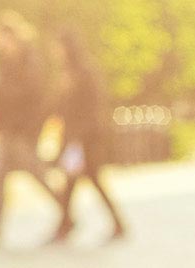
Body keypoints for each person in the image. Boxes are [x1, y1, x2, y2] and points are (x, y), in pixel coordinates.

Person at [0, 11, 67, 243]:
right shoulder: (6, 62)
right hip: (8, 129)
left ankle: (66, 211)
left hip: (23, 130)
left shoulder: (29, 60)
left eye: (1, 38)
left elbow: (31, 95)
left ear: (12, 36)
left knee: (36, 173)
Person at [48, 32, 126, 243]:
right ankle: (65, 225)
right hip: (75, 136)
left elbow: (91, 107)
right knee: (73, 181)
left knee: (89, 179)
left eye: (57, 46)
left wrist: (78, 137)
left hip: (86, 137)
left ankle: (68, 226)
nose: (54, 52)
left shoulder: (84, 72)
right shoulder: (67, 72)